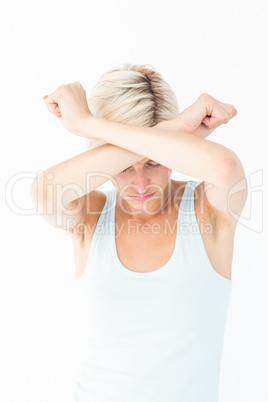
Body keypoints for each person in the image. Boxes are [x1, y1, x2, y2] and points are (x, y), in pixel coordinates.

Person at [32, 64, 248, 401]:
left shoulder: (207, 209)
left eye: (153, 163)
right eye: (122, 167)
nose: (141, 184)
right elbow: (45, 192)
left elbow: (226, 167)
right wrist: (174, 131)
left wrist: (85, 122)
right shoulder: (90, 214)